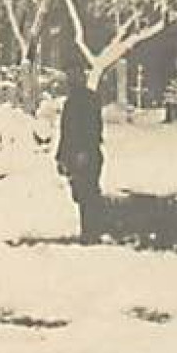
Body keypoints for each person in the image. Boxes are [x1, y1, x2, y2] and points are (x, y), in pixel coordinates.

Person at [55, 61, 105, 244]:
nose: (69, 80)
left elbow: (92, 128)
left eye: (72, 77)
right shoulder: (71, 101)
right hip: (76, 154)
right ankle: (89, 231)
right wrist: (61, 156)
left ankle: (92, 233)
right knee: (81, 193)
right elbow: (66, 132)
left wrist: (84, 151)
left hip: (87, 154)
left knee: (88, 193)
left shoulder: (89, 100)